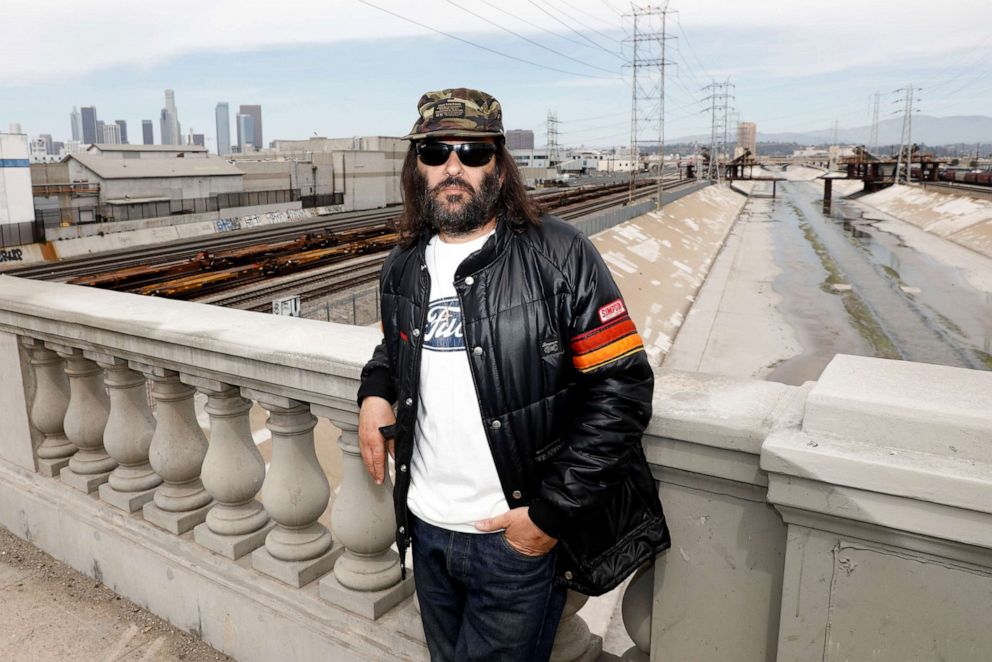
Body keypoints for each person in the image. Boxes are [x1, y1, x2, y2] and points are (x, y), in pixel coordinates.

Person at [357, 88, 669, 662]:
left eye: (472, 152)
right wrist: (376, 391)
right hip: (424, 529)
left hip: (514, 541)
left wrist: (549, 516)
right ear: (416, 166)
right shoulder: (402, 264)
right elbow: (394, 349)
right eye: (435, 150)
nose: (453, 167)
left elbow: (622, 387)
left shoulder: (560, 253)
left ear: (499, 164)